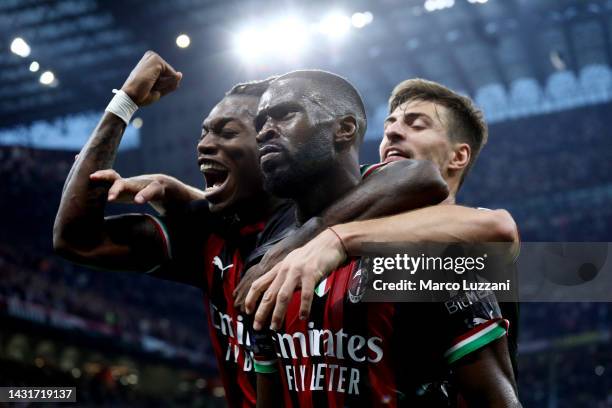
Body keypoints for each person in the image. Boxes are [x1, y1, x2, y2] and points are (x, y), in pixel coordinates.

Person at [53, 52, 448, 407]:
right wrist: (124, 103)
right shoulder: (208, 234)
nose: (203, 146)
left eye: (226, 133)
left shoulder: (366, 212)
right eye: (205, 133)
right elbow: (75, 239)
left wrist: (316, 236)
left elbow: (420, 177)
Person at [243, 72, 520, 406]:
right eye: (390, 123)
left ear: (458, 156)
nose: (392, 131)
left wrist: (337, 237)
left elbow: (500, 228)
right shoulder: (338, 233)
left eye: (417, 125)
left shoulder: (454, 253)